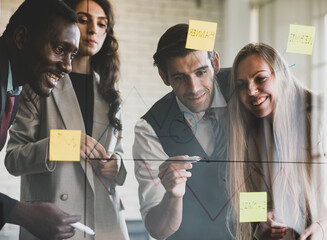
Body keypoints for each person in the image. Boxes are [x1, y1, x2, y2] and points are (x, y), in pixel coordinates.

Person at [5, 0, 129, 239]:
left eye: (102, 24)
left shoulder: (111, 92)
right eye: (83, 20)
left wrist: (116, 165)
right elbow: (13, 159)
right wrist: (63, 144)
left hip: (107, 222)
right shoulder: (38, 82)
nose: (93, 30)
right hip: (55, 222)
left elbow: (121, 153)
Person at [133, 23, 233, 239]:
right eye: (179, 77)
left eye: (201, 72)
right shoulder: (150, 128)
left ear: (215, 62)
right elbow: (158, 231)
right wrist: (173, 195)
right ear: (163, 76)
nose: (194, 88)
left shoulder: (246, 87)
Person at [227, 42, 327, 240]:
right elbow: (249, 205)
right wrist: (263, 220)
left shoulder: (319, 116)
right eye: (242, 85)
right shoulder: (247, 136)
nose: (252, 91)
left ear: (281, 75)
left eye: (260, 79)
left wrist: (323, 228)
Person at [0, 0, 81, 239]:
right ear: (22, 38)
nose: (67, 66)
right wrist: (23, 213)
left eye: (72, 54)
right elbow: (13, 157)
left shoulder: (14, 87)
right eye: (59, 49)